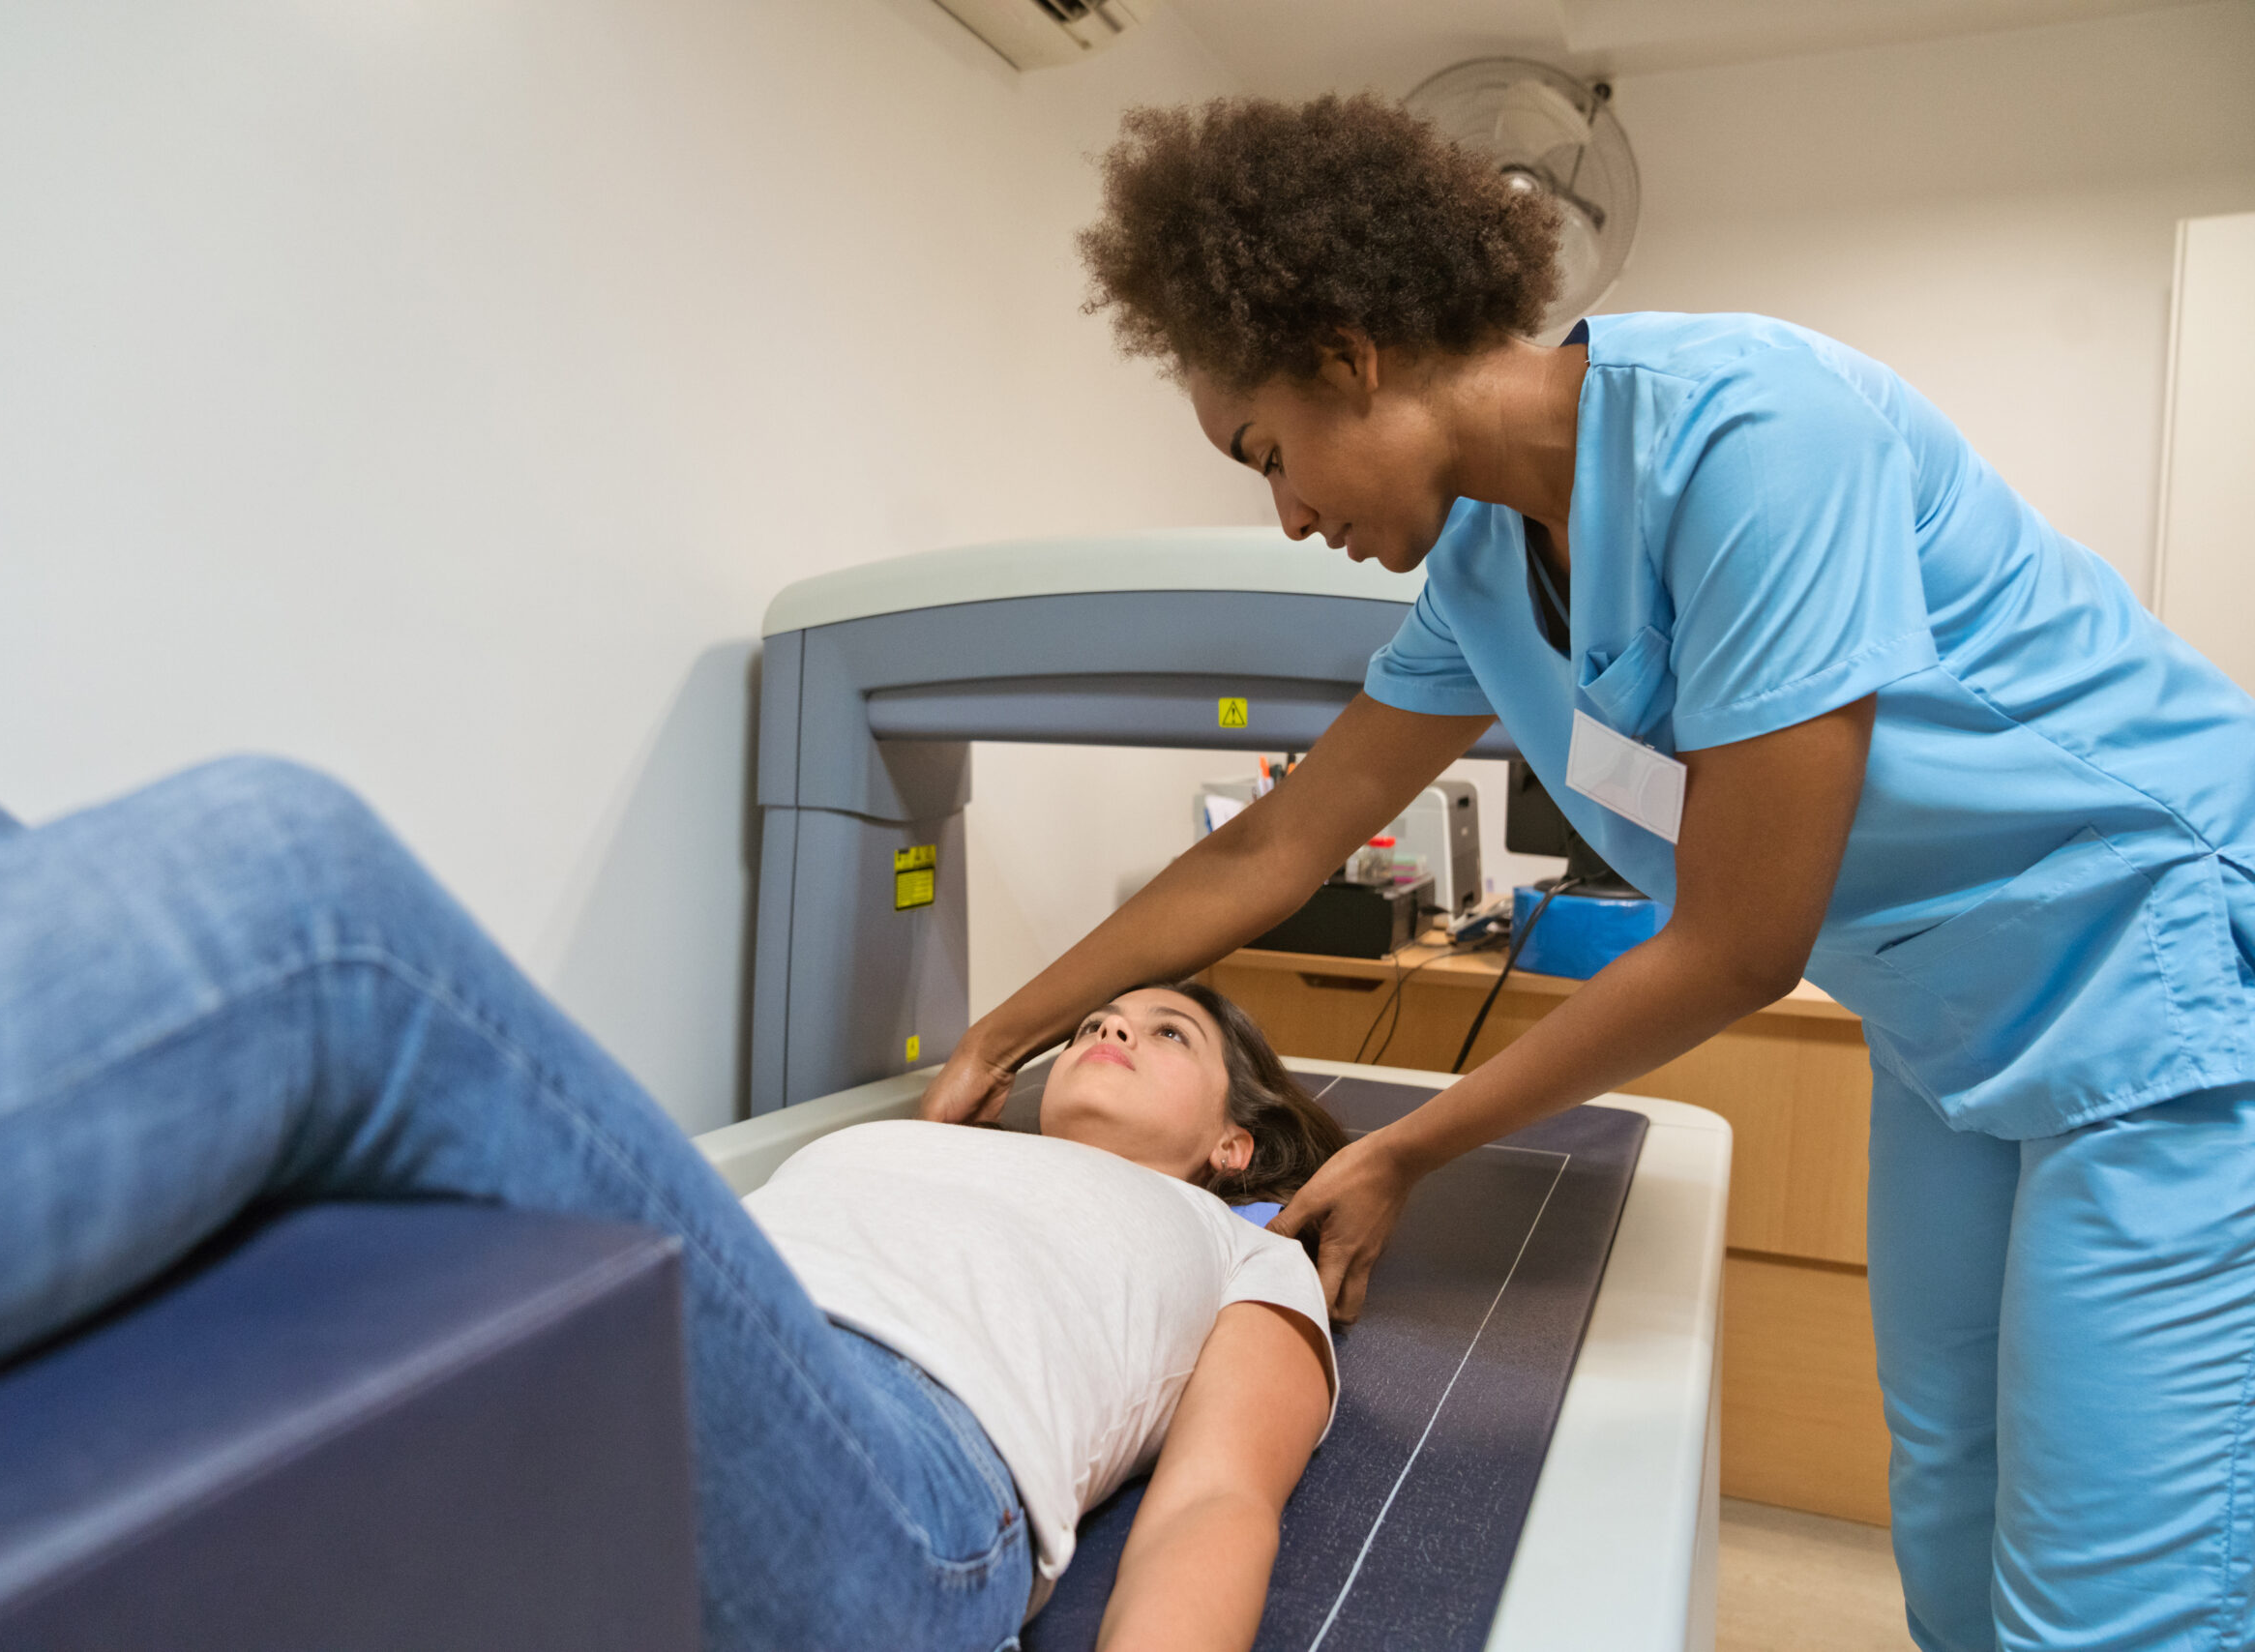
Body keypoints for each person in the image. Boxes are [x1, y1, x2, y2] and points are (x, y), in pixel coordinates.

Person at [921, 94, 2255, 1652]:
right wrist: (997, 1034)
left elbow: (1745, 940)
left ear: (1353, 350)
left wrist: (1404, 1150)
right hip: (1948, 1023)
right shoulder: (1482, 569)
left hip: (2156, 967)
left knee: (2111, 1597)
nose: (1287, 515)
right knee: (1953, 1496)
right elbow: (1280, 843)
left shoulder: (1754, 433)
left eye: (1273, 452)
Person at [0, 754, 1344, 1652]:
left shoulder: (1237, 1253)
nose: (1109, 1023)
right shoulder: (926, 1134)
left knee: (319, 907)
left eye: (1170, 1030)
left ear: (1233, 1144)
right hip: (649, 1321)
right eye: (1097, 1015)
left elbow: (1217, 1505)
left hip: (895, 1487)